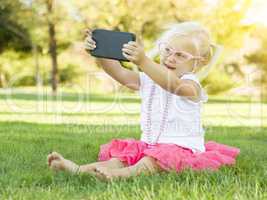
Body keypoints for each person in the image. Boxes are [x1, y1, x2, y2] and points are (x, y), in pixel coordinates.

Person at [47, 21, 240, 181]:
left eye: (180, 55)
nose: (171, 58)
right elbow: (120, 73)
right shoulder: (149, 77)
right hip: (149, 145)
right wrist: (101, 53)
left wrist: (143, 61)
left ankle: (118, 176)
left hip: (181, 149)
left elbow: (173, 85)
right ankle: (79, 169)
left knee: (150, 163)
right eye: (167, 50)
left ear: (199, 62)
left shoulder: (191, 84)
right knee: (122, 158)